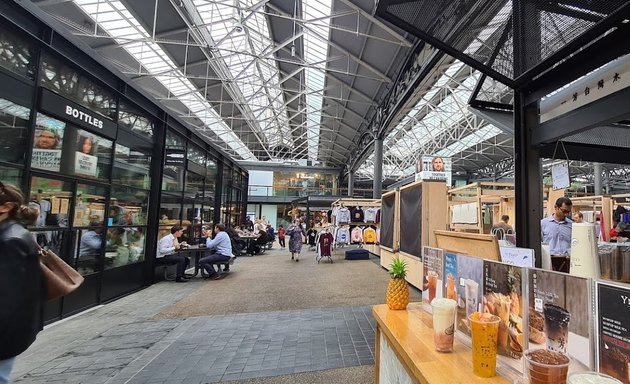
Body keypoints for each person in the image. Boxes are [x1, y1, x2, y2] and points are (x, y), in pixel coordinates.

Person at [0, 182, 45, 383]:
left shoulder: (10, 240)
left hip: (5, 334)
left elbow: (7, 300)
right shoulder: (12, 234)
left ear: (6, 207)